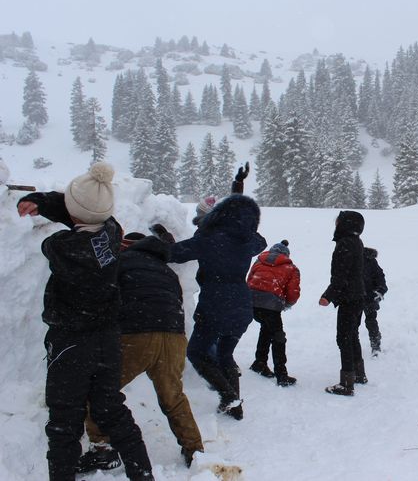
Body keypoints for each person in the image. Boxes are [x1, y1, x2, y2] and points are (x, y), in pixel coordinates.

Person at [16, 162, 154, 481]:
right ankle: (143, 475)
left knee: (64, 422)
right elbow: (80, 212)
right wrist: (45, 201)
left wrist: (50, 205)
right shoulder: (112, 230)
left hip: (71, 344)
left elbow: (51, 242)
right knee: (112, 411)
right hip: (107, 340)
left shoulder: (63, 248)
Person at [78, 229, 204, 473]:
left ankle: (102, 449)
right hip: (174, 337)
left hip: (136, 336)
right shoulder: (168, 272)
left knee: (100, 390)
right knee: (174, 397)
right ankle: (195, 450)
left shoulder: (121, 262)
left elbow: (104, 298)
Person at [165, 191, 266, 420]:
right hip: (242, 304)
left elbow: (174, 253)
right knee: (225, 354)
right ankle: (234, 406)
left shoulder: (210, 239)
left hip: (216, 304)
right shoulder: (248, 240)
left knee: (197, 352)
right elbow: (259, 240)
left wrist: (152, 243)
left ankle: (228, 396)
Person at [319, 211, 367, 396]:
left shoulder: (345, 243)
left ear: (346, 224)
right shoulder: (356, 241)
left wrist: (328, 295)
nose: (336, 224)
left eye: (338, 221)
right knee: (352, 336)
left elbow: (342, 274)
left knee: (344, 338)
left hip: (349, 296)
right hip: (357, 295)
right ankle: (358, 375)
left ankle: (347, 384)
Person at [247, 239, 301, 387]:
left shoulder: (258, 262)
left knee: (266, 329)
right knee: (278, 338)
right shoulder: (291, 268)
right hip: (271, 306)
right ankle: (281, 375)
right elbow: (293, 292)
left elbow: (249, 280)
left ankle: (260, 362)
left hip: (250, 301)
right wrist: (286, 304)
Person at [361, 247, 388, 356]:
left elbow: (380, 278)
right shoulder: (348, 259)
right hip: (353, 297)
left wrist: (379, 292)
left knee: (371, 321)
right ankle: (352, 348)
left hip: (369, 297)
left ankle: (375, 344)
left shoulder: (369, 260)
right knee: (352, 325)